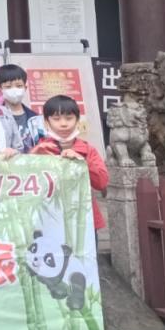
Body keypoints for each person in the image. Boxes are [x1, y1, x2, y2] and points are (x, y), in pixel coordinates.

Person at [31, 95, 108, 230]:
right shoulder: (39, 150)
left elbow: (102, 182)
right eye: (56, 119)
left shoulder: (88, 150)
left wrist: (82, 161)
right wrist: (31, 156)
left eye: (69, 118)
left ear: (77, 120)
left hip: (83, 221)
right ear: (46, 122)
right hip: (48, 221)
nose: (63, 124)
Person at [0, 63, 44, 152]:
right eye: (8, 87)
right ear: (0, 89)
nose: (14, 90)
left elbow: (41, 146)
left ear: (25, 88)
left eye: (19, 86)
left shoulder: (35, 119)